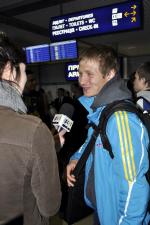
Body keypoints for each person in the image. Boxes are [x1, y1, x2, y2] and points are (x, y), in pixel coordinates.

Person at [66, 46, 150, 225]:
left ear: (110, 74)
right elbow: (92, 140)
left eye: (89, 74)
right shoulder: (101, 111)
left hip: (119, 217)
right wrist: (77, 158)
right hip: (103, 209)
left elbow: (134, 185)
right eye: (80, 73)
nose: (82, 81)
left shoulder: (120, 120)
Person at [0, 32, 61, 225]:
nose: (26, 79)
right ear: (9, 70)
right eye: (24, 71)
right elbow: (49, 206)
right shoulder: (33, 130)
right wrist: (47, 149)